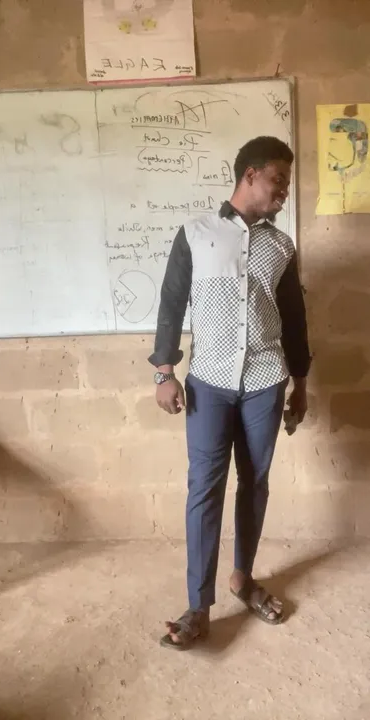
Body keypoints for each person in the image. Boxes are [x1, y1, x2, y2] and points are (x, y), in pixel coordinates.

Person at [148, 136, 310, 650]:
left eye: (287, 183)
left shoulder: (281, 247)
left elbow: (295, 319)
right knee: (204, 488)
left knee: (255, 482)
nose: (284, 191)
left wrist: (301, 382)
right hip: (209, 383)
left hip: (266, 380)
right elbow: (172, 302)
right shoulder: (196, 234)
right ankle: (198, 607)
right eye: (278, 180)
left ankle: (243, 578)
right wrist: (164, 372)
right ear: (250, 175)